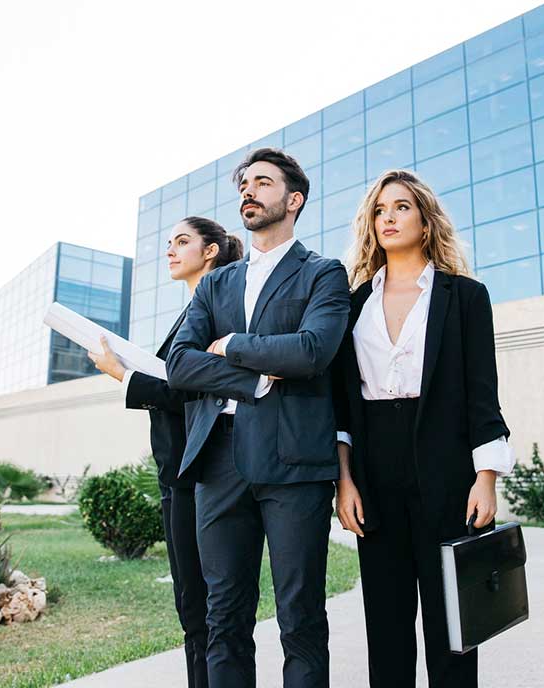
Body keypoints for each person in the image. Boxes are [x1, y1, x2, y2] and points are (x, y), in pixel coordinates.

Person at [165, 147, 351, 688]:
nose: (249, 190)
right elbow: (179, 363)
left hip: (294, 462)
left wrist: (234, 346)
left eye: (263, 182)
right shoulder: (215, 284)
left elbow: (313, 351)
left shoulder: (323, 273)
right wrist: (255, 378)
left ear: (293, 200)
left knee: (300, 619)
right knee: (224, 619)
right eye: (245, 183)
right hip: (218, 462)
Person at [331, 169, 515, 688]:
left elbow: (483, 394)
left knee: (453, 622)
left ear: (426, 219)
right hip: (373, 467)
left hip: (447, 464)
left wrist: (486, 477)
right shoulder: (352, 304)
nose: (388, 218)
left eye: (401, 207)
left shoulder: (466, 298)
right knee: (385, 623)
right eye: (379, 210)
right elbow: (343, 407)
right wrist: (344, 480)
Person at [88, 215, 243, 688]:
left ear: (210, 250)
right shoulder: (193, 310)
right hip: (175, 472)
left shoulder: (221, 308)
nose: (170, 252)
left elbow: (190, 389)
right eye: (168, 243)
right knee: (190, 608)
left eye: (181, 242)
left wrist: (125, 377)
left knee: (206, 607)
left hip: (198, 471)